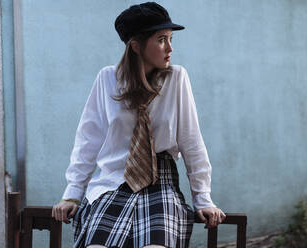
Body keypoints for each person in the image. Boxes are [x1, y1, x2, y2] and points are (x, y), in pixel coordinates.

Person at [52, 2, 226, 248]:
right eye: (161, 40)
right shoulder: (107, 79)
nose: (170, 48)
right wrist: (72, 193)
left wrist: (203, 199)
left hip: (161, 183)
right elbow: (88, 141)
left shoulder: (177, 78)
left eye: (170, 39)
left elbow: (191, 141)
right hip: (112, 181)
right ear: (136, 46)